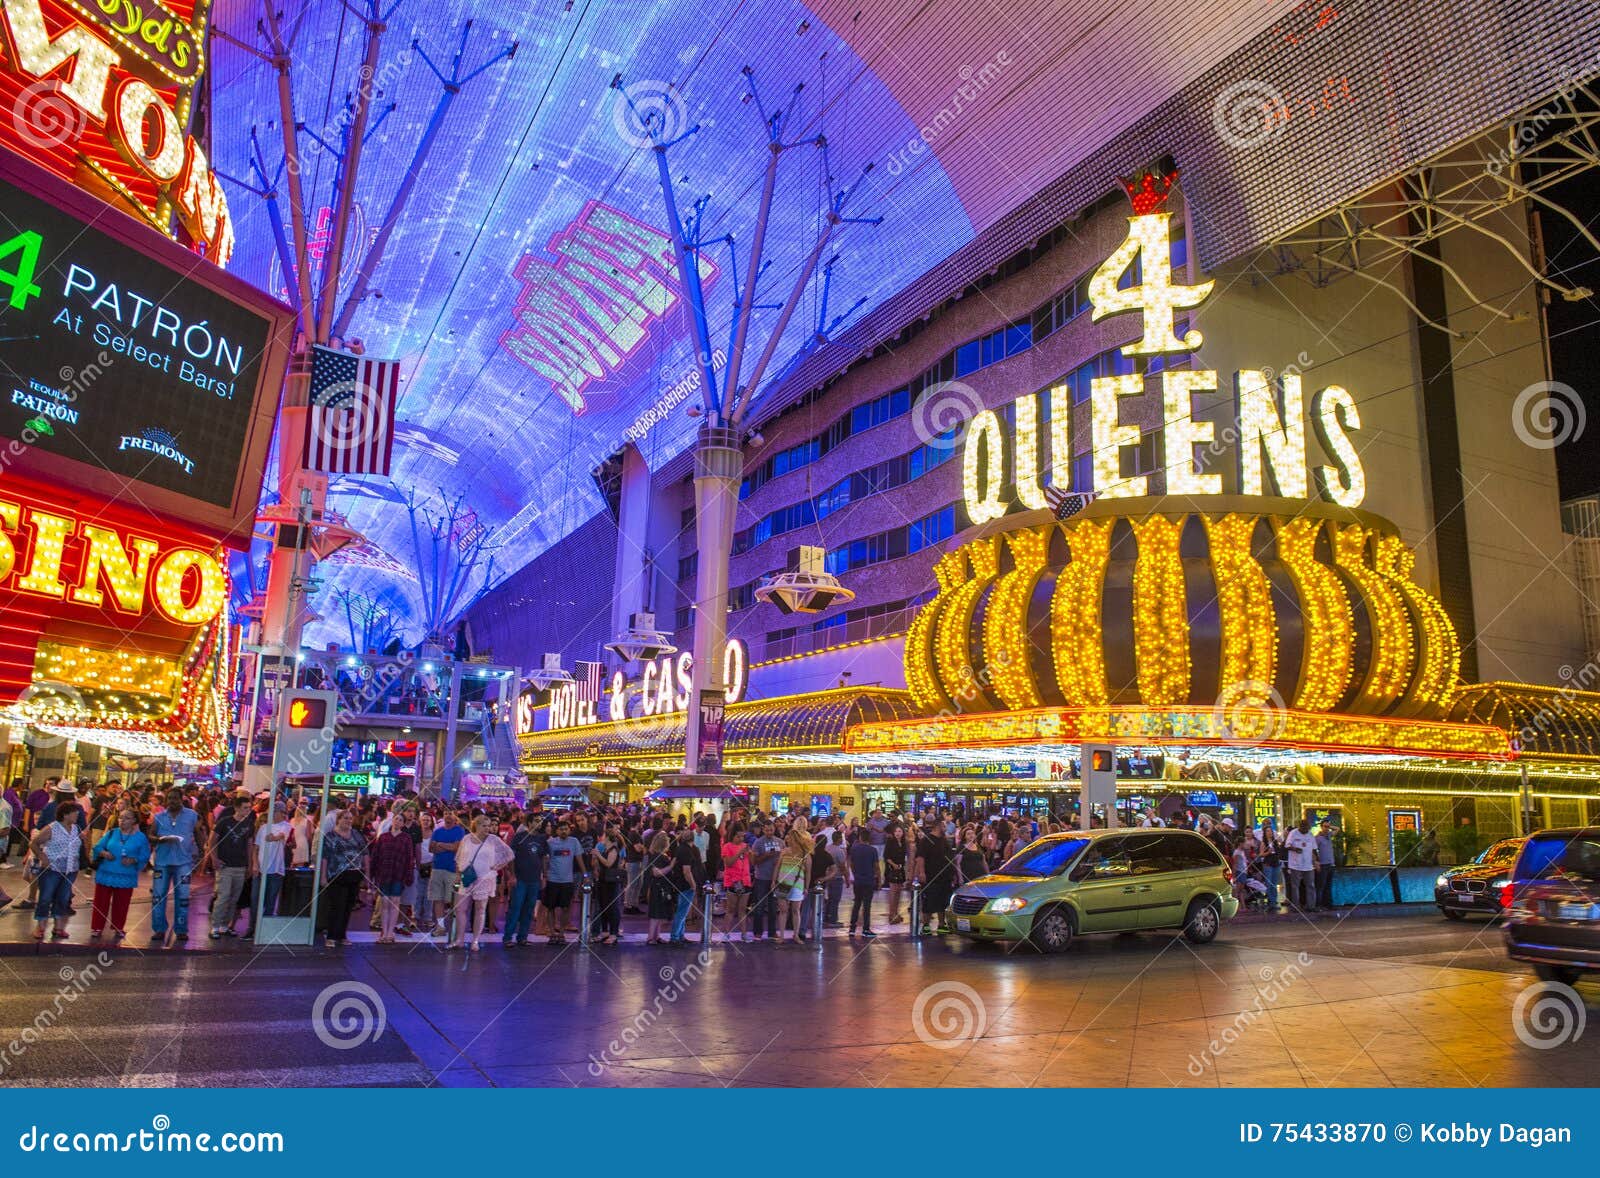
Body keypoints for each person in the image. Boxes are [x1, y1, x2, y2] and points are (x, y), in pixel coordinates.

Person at [451, 815, 512, 951]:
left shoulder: (493, 840)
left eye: (489, 825)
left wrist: (497, 866)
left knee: (480, 909)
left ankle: (475, 941)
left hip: (484, 879)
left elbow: (509, 854)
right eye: (484, 825)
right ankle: (459, 939)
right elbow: (459, 858)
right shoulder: (466, 839)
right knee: (460, 909)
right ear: (476, 825)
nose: (487, 828)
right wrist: (457, 875)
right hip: (466, 878)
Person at [89, 808, 150, 941]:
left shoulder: (140, 838)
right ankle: (97, 927)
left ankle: (118, 927)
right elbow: (97, 847)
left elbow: (145, 855)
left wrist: (133, 860)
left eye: (126, 818)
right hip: (106, 873)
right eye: (120, 817)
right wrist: (104, 853)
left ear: (134, 820)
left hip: (126, 875)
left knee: (122, 903)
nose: (122, 820)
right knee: (100, 902)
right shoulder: (112, 833)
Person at [150, 788, 200, 947]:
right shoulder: (158, 817)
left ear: (181, 799)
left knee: (183, 897)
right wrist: (160, 839)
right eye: (169, 798)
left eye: (175, 798)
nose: (172, 801)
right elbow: (150, 835)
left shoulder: (192, 815)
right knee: (158, 897)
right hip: (162, 862)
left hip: (183, 862)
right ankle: (159, 928)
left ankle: (181, 929)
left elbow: (199, 832)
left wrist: (203, 852)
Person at [29, 800, 83, 940]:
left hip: (70, 869)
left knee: (63, 898)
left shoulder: (76, 828)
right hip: (52, 869)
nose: (77, 814)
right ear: (65, 815)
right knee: (45, 898)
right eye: (74, 812)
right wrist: (42, 857)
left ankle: (58, 927)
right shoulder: (52, 828)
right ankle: (40, 927)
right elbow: (34, 843)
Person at [205, 795, 255, 939]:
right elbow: (211, 840)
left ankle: (224, 926)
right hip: (225, 865)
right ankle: (215, 926)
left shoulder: (249, 824)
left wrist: (249, 864)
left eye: (249, 808)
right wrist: (214, 858)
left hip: (240, 865)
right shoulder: (224, 822)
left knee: (234, 898)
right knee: (223, 896)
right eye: (245, 808)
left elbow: (249, 844)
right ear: (237, 808)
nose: (248, 810)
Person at [319, 808, 367, 947]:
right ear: (338, 820)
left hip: (354, 874)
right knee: (336, 906)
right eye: (345, 818)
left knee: (348, 906)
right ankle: (331, 936)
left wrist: (366, 874)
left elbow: (365, 853)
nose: (348, 820)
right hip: (336, 875)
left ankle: (342, 934)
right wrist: (323, 876)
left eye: (350, 818)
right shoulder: (330, 836)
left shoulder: (357, 834)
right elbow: (324, 857)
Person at [370, 817, 416, 943]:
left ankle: (390, 932)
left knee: (395, 902)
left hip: (399, 875)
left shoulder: (406, 838)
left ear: (403, 823)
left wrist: (409, 875)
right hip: (384, 874)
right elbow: (375, 856)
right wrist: (372, 874)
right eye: (396, 819)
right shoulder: (383, 837)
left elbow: (409, 858)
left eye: (401, 820)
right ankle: (384, 932)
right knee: (385, 903)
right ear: (392, 822)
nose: (398, 822)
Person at [504, 812, 545, 947]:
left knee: (529, 909)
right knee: (515, 908)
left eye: (540, 820)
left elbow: (543, 858)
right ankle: (508, 937)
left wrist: (543, 875)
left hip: (534, 879)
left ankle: (523, 937)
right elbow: (511, 856)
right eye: (536, 820)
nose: (539, 822)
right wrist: (512, 875)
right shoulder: (519, 837)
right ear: (529, 823)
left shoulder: (541, 839)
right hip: (520, 879)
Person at [542, 819, 585, 944]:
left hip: (567, 880)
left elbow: (579, 858)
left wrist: (585, 874)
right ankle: (552, 933)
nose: (564, 831)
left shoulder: (574, 842)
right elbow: (545, 859)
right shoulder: (550, 842)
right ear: (557, 831)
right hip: (552, 880)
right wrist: (544, 875)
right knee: (550, 908)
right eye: (561, 829)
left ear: (569, 830)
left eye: (566, 829)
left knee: (566, 907)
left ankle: (561, 932)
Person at [427, 808, 466, 934]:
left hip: (452, 869)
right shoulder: (437, 831)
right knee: (437, 899)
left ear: (455, 817)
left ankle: (454, 927)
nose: (448, 816)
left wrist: (440, 844)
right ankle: (441, 926)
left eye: (451, 814)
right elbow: (431, 848)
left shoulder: (459, 831)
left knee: (452, 900)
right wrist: (447, 846)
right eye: (445, 814)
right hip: (437, 868)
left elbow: (457, 848)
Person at [252, 806, 293, 926]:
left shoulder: (286, 825)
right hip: (260, 869)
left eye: (283, 812)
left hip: (275, 870)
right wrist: (255, 864)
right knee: (256, 901)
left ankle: (264, 928)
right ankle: (253, 927)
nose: (284, 814)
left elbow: (282, 835)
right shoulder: (263, 827)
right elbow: (256, 847)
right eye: (281, 812)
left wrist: (274, 838)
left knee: (270, 901)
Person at [917, 821, 957, 934]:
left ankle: (941, 924)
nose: (945, 828)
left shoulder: (944, 840)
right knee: (929, 900)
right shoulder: (926, 840)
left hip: (945, 876)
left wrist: (953, 873)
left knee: (943, 901)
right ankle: (925, 925)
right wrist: (921, 872)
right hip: (931, 875)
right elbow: (920, 857)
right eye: (943, 825)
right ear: (937, 826)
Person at [749, 821, 785, 941]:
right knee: (760, 905)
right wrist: (766, 856)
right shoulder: (758, 842)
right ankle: (758, 931)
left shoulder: (780, 842)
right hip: (761, 878)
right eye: (767, 830)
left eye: (771, 830)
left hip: (775, 878)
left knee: (773, 906)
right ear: (763, 830)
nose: (769, 832)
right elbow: (753, 862)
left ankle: (772, 931)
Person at [591, 824, 624, 944]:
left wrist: (598, 855)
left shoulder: (613, 850)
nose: (602, 839)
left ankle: (613, 933)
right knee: (604, 906)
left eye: (604, 837)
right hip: (603, 880)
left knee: (612, 908)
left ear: (608, 838)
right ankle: (605, 931)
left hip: (611, 882)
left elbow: (609, 864)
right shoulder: (606, 849)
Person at [668, 828, 702, 943]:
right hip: (685, 884)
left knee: (682, 911)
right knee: (682, 912)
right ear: (693, 838)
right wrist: (693, 885)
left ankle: (680, 935)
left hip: (678, 882)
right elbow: (686, 871)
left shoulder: (679, 848)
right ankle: (675, 937)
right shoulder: (687, 851)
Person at [721, 820, 752, 941]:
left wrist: (751, 853)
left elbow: (752, 862)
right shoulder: (727, 846)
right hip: (732, 881)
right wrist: (739, 852)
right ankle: (726, 933)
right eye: (738, 836)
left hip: (745, 880)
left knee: (742, 910)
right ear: (732, 835)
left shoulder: (745, 846)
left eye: (742, 836)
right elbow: (728, 863)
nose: (740, 838)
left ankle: (744, 934)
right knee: (730, 909)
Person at [644, 831, 676, 945]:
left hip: (659, 886)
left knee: (659, 912)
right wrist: (671, 866)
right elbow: (656, 873)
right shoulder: (657, 856)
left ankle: (656, 936)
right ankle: (650, 937)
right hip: (658, 886)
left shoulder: (656, 855)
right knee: (656, 913)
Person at [847, 829, 881, 938]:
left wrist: (855, 873)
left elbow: (851, 864)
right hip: (869, 880)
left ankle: (852, 928)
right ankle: (866, 929)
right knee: (867, 906)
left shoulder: (854, 849)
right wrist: (879, 880)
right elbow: (876, 866)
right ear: (869, 839)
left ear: (860, 838)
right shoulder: (872, 850)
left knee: (857, 903)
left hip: (858, 880)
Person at [1285, 817, 1318, 912]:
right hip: (1295, 865)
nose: (1305, 830)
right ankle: (1296, 906)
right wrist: (1295, 849)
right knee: (1295, 886)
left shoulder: (1310, 834)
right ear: (1300, 827)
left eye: (1307, 829)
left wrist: (1316, 861)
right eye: (1303, 829)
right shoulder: (1293, 833)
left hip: (1308, 865)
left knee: (1310, 885)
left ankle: (1311, 906)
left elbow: (1314, 849)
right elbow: (1287, 846)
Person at [1257, 820, 1284, 911]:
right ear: (1265, 833)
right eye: (1267, 831)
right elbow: (1260, 854)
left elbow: (1278, 850)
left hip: (1275, 863)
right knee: (1269, 883)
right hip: (1268, 863)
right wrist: (1268, 852)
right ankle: (1270, 901)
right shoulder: (1263, 843)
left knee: (1274, 883)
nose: (1269, 833)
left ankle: (1274, 901)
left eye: (1270, 831)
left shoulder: (1275, 841)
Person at [883, 824, 907, 924]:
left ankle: (896, 913)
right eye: (896, 831)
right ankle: (891, 914)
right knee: (893, 892)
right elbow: (886, 856)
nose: (898, 833)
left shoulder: (903, 843)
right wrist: (894, 865)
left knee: (898, 892)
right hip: (892, 869)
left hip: (900, 869)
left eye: (900, 831)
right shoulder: (890, 842)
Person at [1315, 821, 1338, 910]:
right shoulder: (1317, 838)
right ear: (1321, 827)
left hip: (1331, 864)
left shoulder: (1328, 835)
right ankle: (1318, 904)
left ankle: (1328, 904)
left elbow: (1337, 829)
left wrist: (1329, 826)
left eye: (1328, 826)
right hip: (1323, 864)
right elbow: (1314, 850)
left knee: (1328, 885)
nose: (1327, 828)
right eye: (1325, 826)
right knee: (1321, 886)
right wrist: (1316, 862)